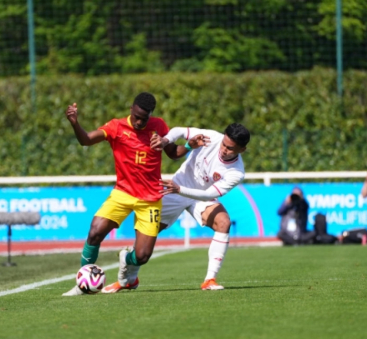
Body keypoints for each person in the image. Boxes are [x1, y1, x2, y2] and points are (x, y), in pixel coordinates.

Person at [62, 92, 187, 296]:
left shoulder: (159, 126)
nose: (139, 122)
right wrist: (75, 123)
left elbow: (173, 153)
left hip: (150, 200)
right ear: (131, 109)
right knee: (95, 232)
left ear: (150, 115)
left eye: (143, 119)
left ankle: (126, 258)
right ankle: (81, 284)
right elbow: (85, 140)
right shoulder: (116, 127)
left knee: (143, 256)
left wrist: (189, 145)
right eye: (136, 116)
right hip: (123, 193)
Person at [102, 123, 250, 292]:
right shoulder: (211, 137)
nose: (224, 149)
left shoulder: (236, 172)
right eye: (224, 144)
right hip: (176, 190)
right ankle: (129, 275)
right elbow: (179, 131)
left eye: (230, 148)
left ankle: (209, 280)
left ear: (242, 150)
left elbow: (209, 194)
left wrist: (180, 190)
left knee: (224, 222)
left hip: (197, 196)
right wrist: (165, 141)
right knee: (145, 243)